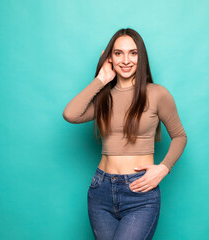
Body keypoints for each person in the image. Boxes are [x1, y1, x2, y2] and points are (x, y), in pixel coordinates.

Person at [63, 28, 187, 240]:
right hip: (100, 191)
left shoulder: (157, 93)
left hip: (140, 193)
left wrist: (163, 168)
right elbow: (70, 114)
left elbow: (179, 136)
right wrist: (101, 79)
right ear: (109, 58)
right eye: (118, 53)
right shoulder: (104, 98)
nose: (126, 60)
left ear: (141, 57)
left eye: (133, 53)